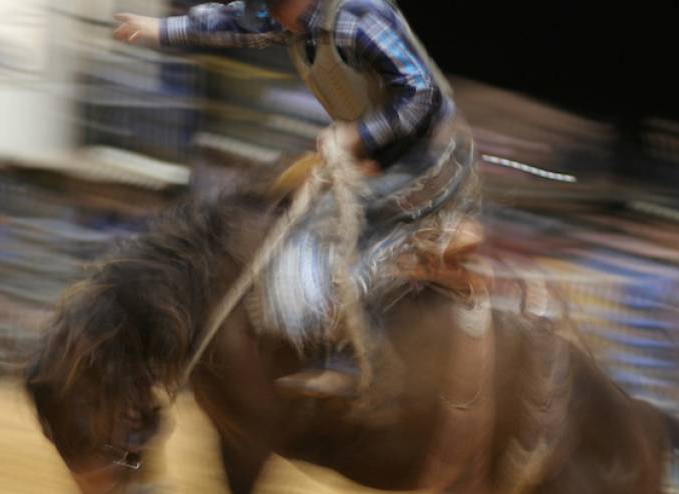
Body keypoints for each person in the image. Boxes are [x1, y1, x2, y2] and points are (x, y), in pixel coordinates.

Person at [113, 0, 481, 398]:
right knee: (285, 218)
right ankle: (309, 344)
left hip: (434, 158)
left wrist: (358, 136)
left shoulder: (358, 15)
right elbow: (234, 21)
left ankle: (358, 359)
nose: (262, 14)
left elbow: (420, 94)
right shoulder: (293, 20)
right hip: (376, 159)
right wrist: (159, 29)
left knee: (338, 230)